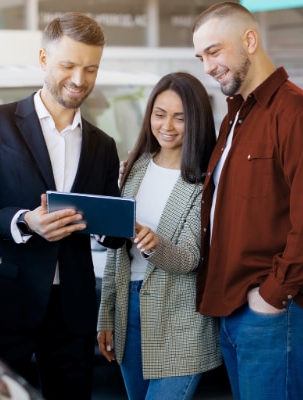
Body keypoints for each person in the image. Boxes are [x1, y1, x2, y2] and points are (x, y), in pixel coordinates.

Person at [0, 12, 120, 400]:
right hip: (5, 302)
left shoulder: (102, 144)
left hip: (73, 310)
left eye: (90, 69)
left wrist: (110, 226)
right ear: (45, 59)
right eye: (68, 65)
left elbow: (110, 231)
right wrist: (25, 221)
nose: (79, 80)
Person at [191, 3, 303, 400]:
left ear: (250, 40)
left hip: (276, 312)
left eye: (214, 51)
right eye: (201, 57)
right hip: (235, 309)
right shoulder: (234, 119)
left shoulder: (300, 113)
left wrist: (273, 295)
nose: (207, 67)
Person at [96, 72, 221, 400]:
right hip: (127, 311)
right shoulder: (134, 168)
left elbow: (191, 258)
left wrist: (155, 246)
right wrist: (104, 316)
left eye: (180, 118)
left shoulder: (205, 179)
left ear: (196, 121)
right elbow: (116, 252)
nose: (167, 125)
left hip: (180, 320)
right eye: (160, 114)